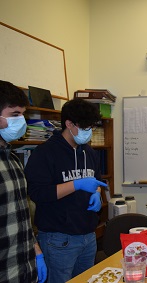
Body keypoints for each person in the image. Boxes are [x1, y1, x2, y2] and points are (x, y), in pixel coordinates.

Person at [25, 98, 107, 283]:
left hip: (88, 235)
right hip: (59, 240)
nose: (89, 132)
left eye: (92, 127)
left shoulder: (89, 152)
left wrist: (97, 193)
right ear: (69, 124)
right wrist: (76, 184)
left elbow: (97, 181)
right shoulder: (45, 154)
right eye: (86, 127)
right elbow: (38, 193)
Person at [0, 80, 47, 282]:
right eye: (15, 115)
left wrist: (35, 249)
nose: (21, 121)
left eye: (23, 114)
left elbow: (22, 215)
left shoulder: (13, 161)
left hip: (24, 269)